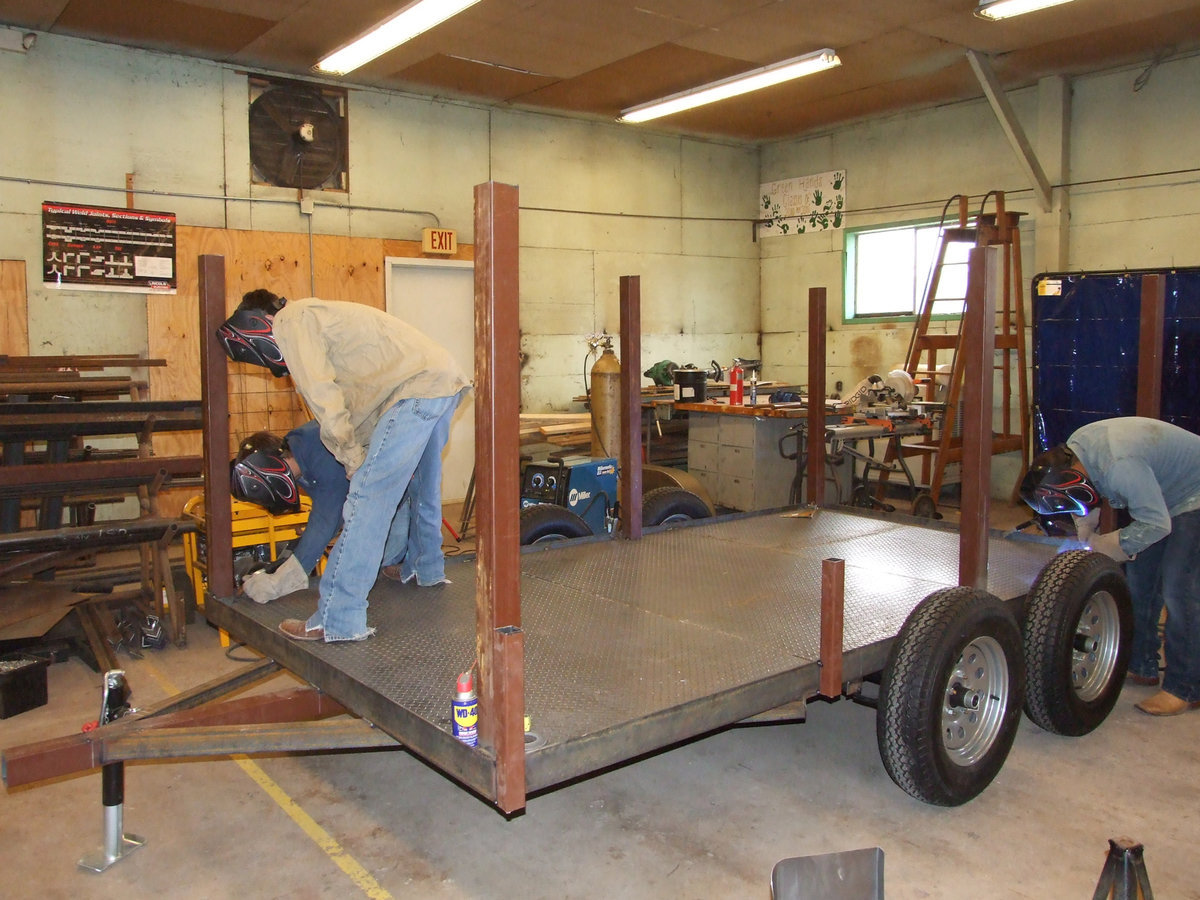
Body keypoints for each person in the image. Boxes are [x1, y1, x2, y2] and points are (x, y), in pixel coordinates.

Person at [218, 289, 470, 643]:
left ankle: (338, 618)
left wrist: (353, 460)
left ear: (258, 323)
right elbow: (360, 399)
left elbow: (326, 401)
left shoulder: (292, 321)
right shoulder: (319, 315)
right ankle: (425, 569)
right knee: (423, 488)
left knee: (366, 504)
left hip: (413, 392)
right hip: (442, 381)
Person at [1019, 416, 1200, 716]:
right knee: (1140, 580)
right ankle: (1141, 665)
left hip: (1194, 493)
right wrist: (1084, 531)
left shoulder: (1119, 468)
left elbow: (1156, 525)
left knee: (1178, 586)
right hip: (1163, 493)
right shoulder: (1078, 449)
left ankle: (1185, 688)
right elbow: (1086, 495)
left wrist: (1106, 545)